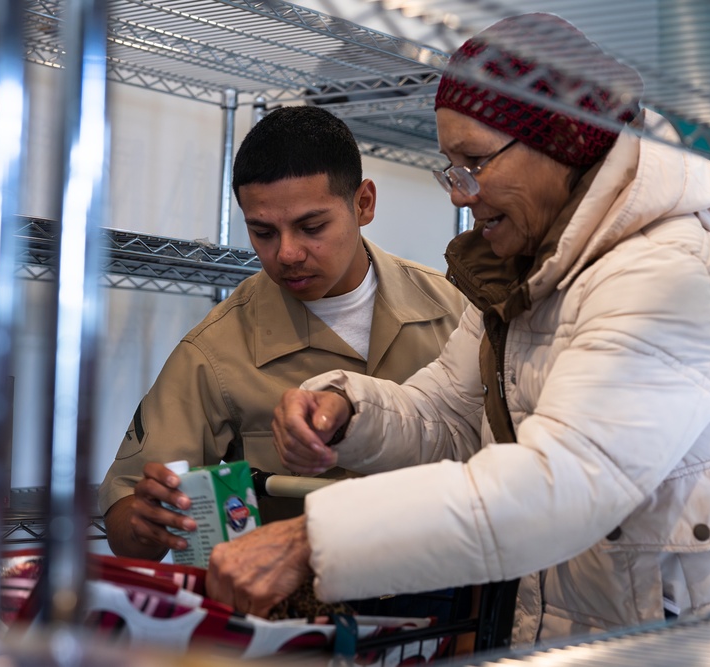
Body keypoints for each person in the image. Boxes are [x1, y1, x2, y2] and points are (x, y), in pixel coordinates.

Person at [205, 13, 710, 644]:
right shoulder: (526, 275)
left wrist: (314, 539)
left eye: (474, 161)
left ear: (562, 142)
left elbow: (563, 487)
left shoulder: (661, 277)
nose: (460, 194)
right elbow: (451, 416)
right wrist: (349, 411)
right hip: (594, 629)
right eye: (450, 166)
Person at [98, 105, 466, 558]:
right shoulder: (215, 351)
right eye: (263, 232)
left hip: (446, 610)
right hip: (298, 620)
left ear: (363, 203)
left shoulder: (455, 312)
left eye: (312, 227)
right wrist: (146, 521)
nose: (287, 253)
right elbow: (127, 514)